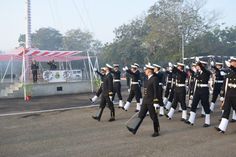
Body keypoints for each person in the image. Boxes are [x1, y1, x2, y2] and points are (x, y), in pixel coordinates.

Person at [126, 64, 160, 137]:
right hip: (145, 100)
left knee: (153, 116)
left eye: (146, 70)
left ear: (149, 71)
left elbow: (156, 91)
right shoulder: (147, 78)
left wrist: (156, 101)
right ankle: (134, 129)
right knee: (140, 115)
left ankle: (156, 131)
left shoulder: (154, 79)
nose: (145, 71)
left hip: (151, 101)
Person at [185, 60, 212, 127]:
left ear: (203, 66)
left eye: (199, 65)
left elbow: (203, 69)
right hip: (198, 90)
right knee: (194, 104)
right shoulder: (198, 73)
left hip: (204, 90)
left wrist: (199, 63)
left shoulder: (207, 72)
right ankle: (191, 120)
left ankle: (207, 122)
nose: (197, 67)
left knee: (205, 105)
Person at [215, 57, 236, 133]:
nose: (231, 63)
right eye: (231, 62)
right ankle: (222, 128)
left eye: (233, 62)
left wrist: (230, 68)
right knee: (226, 110)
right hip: (229, 94)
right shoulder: (229, 72)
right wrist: (223, 95)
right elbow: (225, 84)